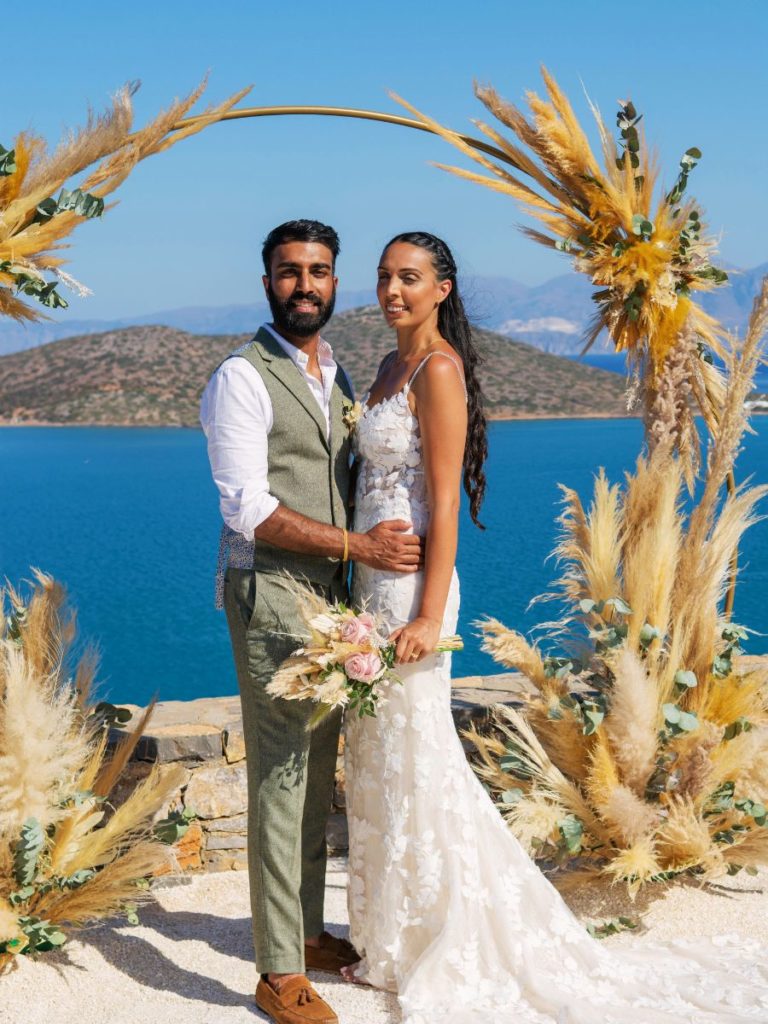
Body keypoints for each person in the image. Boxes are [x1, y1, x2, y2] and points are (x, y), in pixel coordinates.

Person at [341, 230, 768, 1023]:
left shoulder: (437, 371)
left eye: (409, 278)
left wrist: (431, 615)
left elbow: (441, 504)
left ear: (443, 288)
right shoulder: (386, 367)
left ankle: (455, 932)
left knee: (418, 754)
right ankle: (392, 936)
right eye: (384, 276)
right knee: (381, 761)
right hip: (371, 583)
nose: (392, 290)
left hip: (411, 598)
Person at [200, 219, 423, 1024]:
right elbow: (246, 505)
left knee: (314, 768)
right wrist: (359, 543)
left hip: (332, 600)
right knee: (280, 776)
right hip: (269, 593)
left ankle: (305, 933)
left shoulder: (334, 372)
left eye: (319, 271)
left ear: (334, 283)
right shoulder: (241, 376)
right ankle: (276, 973)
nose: (306, 285)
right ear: (267, 283)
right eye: (290, 272)